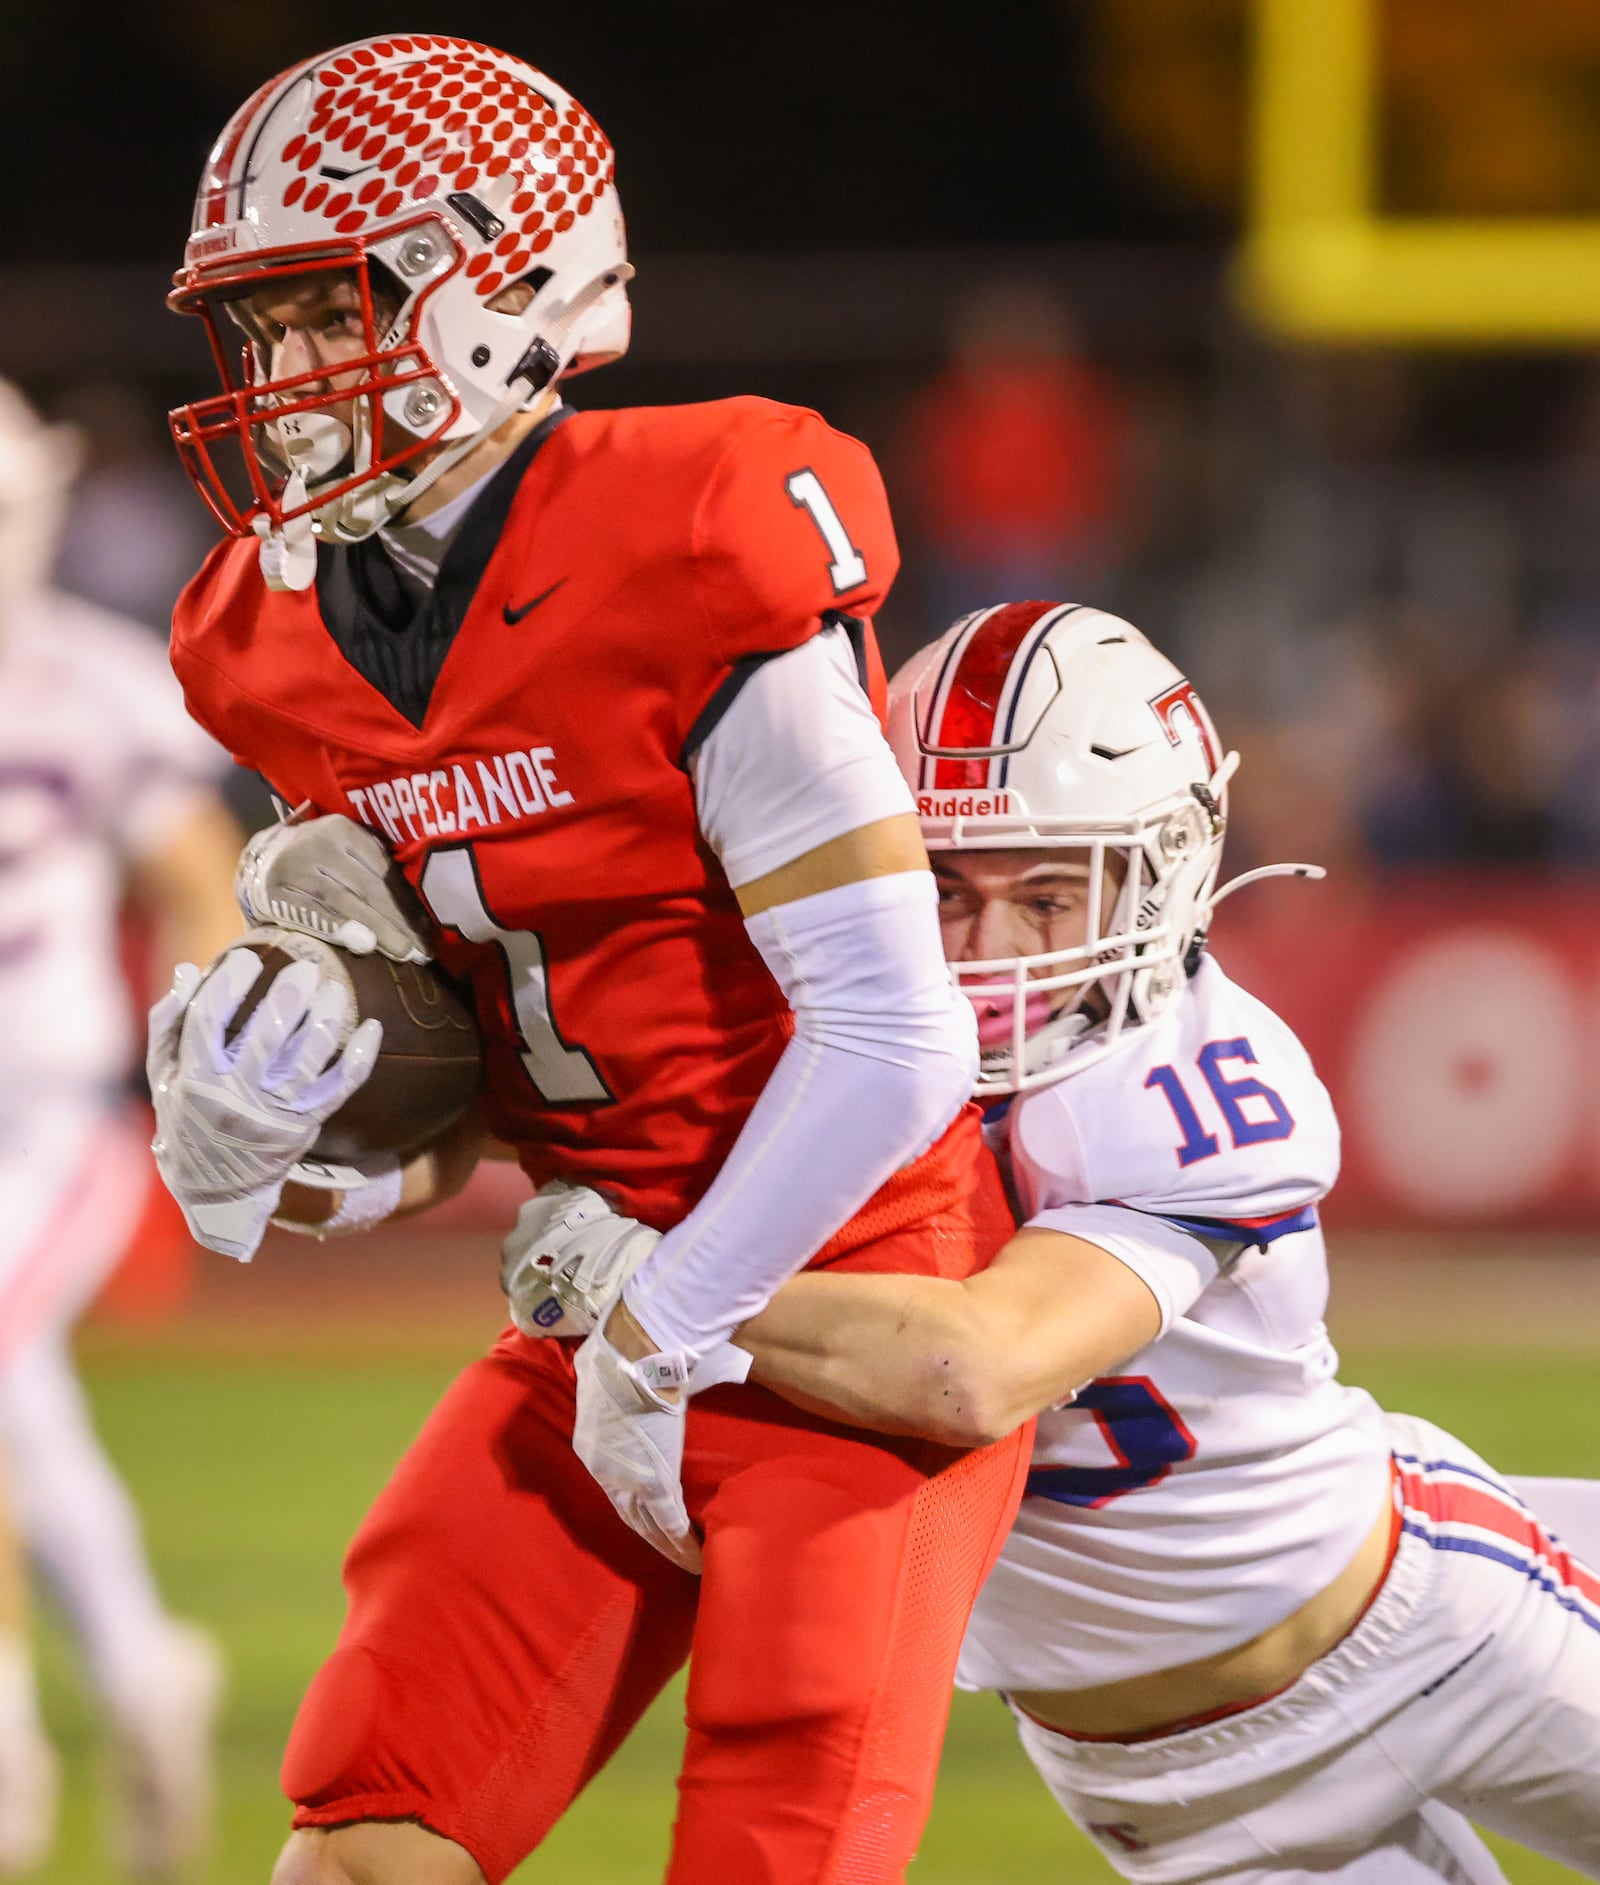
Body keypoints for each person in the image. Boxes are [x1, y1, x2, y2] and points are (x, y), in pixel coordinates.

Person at [148, 35, 1030, 1885]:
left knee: (770, 1848)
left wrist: (670, 1314)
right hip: (592, 1285)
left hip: (842, 1279)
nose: (287, 380)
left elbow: (892, 1032)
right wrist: (293, 1134)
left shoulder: (695, 524)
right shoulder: (266, 635)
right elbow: (480, 1087)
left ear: (497, 292)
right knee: (361, 1839)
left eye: (327, 316)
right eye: (266, 329)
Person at [512, 602, 1600, 1881]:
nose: (989, 951)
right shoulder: (802, 1061)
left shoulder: (1193, 1071)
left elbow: (972, 1368)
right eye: (944, 890)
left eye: (1045, 891)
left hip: (1426, 1631)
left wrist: (640, 1280)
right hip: (1159, 1787)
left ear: (1165, 868)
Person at [0, 379, 240, 1875]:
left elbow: (200, 882)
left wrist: (211, 1057)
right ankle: (144, 1670)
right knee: (22, 1389)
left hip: (54, 1112)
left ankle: (9, 1729)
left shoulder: (90, 677)